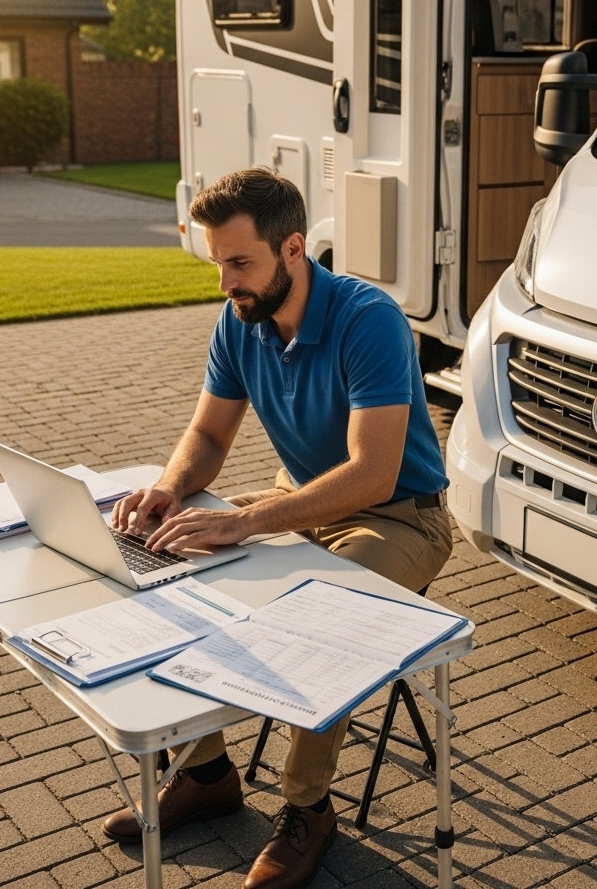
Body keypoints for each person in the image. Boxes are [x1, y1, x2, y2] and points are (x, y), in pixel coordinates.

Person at [101, 167, 452, 889]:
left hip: (399, 516)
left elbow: (373, 474)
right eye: (217, 263)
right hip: (304, 504)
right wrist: (168, 489)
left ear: (293, 249)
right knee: (160, 557)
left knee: (322, 619)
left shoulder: (369, 318)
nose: (224, 282)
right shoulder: (240, 320)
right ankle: (205, 773)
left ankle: (308, 809)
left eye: (238, 263)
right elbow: (208, 434)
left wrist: (247, 524)